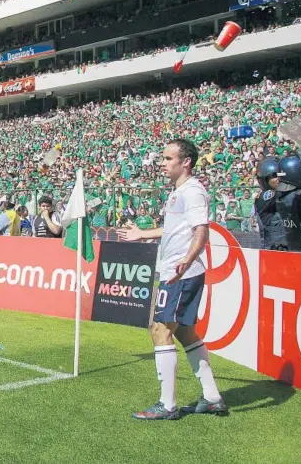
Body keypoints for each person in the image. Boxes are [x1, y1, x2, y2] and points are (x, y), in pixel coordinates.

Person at [118, 139, 226, 420]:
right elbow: (177, 228)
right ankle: (212, 398)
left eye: (168, 158)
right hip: (178, 270)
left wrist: (186, 261)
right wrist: (144, 234)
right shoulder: (178, 192)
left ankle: (167, 405)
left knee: (159, 330)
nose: (162, 164)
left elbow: (201, 231)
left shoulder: (192, 192)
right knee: (183, 331)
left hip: (180, 272)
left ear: (186, 161)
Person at [254, 157, 287, 250]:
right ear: (264, 179)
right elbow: (278, 192)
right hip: (274, 249)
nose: (278, 179)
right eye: (274, 176)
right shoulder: (263, 197)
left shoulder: (284, 195)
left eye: (280, 175)